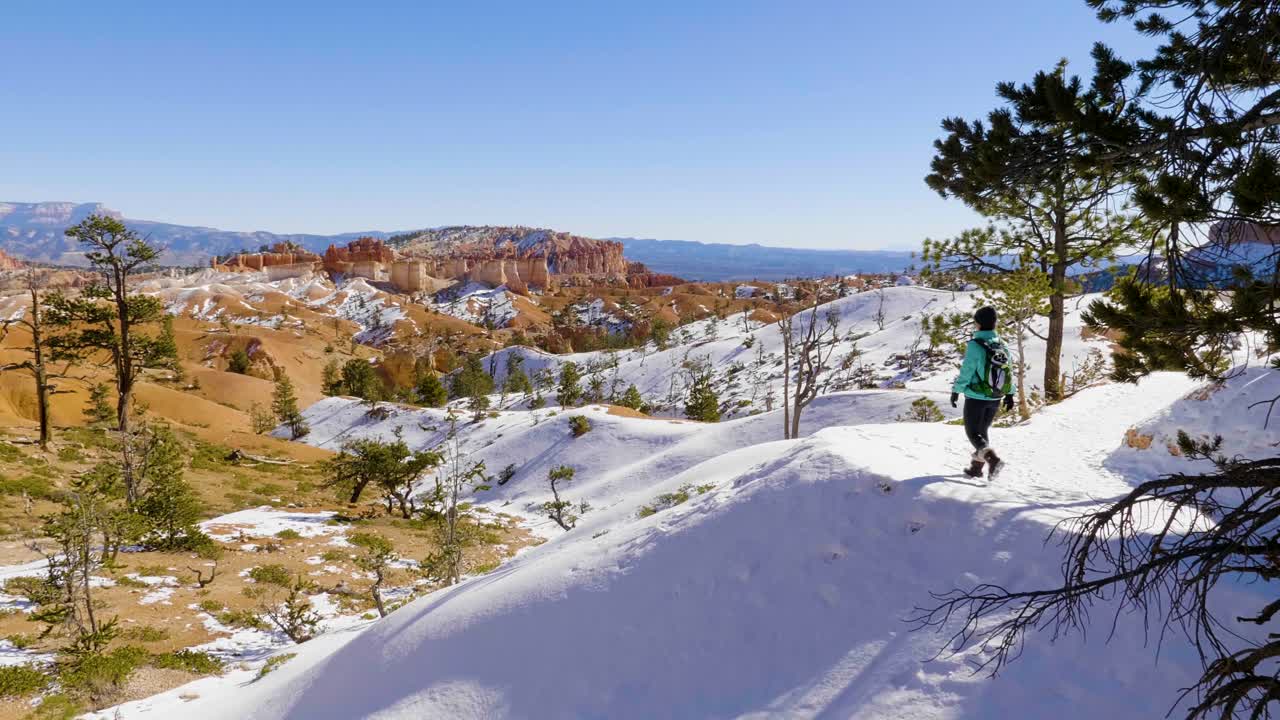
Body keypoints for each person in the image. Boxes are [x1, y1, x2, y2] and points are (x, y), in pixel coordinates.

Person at [950, 306, 1015, 478]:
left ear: (977, 324)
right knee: (982, 431)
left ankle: (992, 459)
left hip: (976, 396)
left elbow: (967, 371)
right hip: (996, 396)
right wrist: (1010, 394)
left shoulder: (975, 345)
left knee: (972, 432)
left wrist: (956, 390)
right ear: (995, 323)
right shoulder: (1002, 344)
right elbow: (1010, 370)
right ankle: (976, 469)